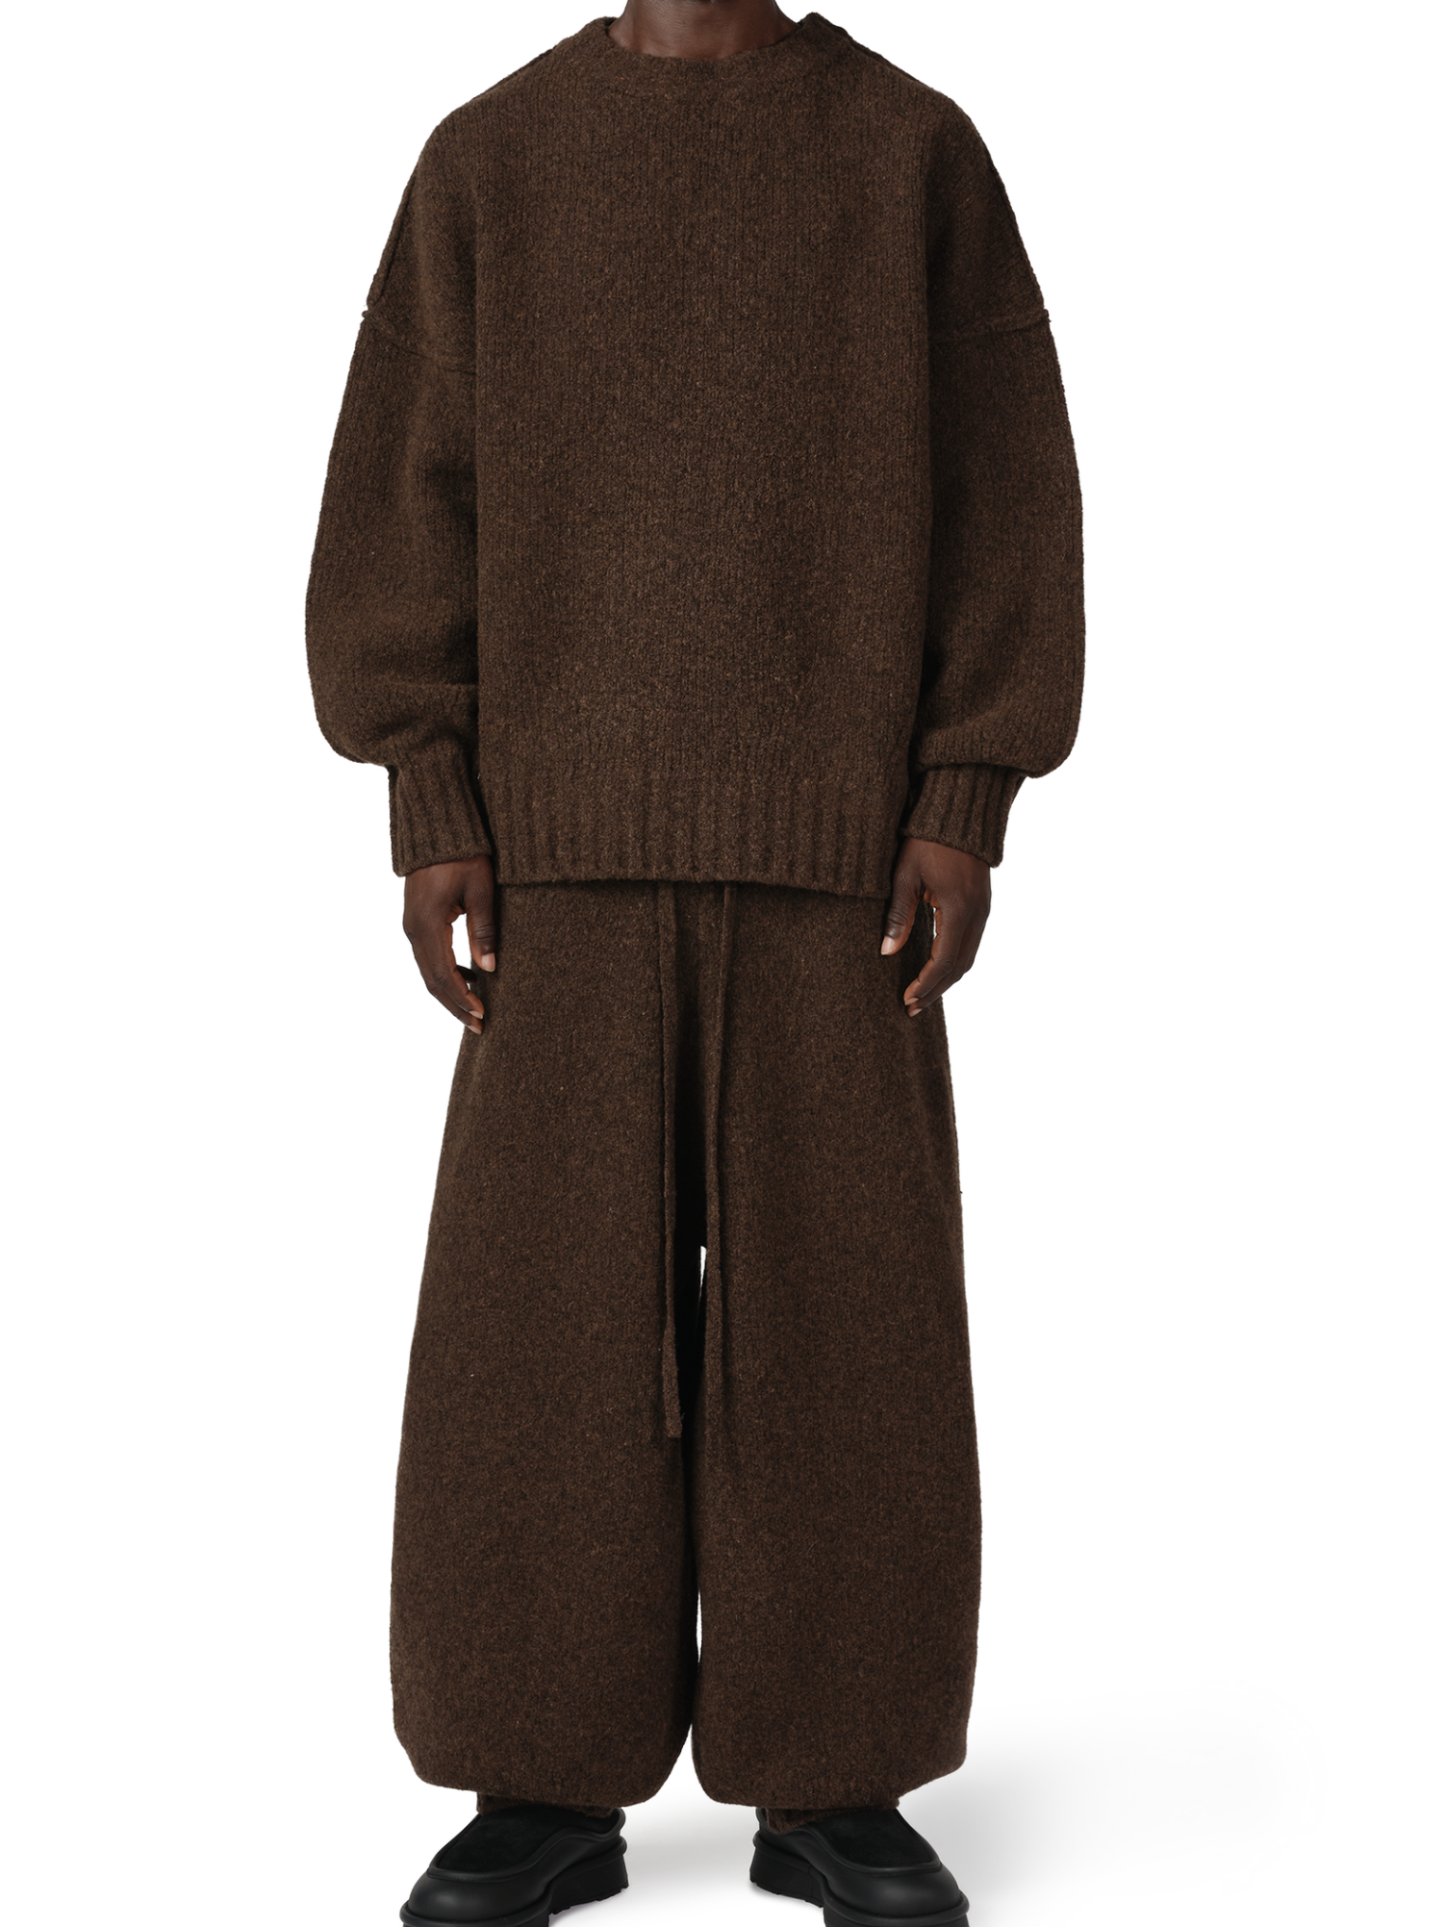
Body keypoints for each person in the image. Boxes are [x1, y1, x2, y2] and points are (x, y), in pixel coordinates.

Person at [305, 3, 1083, 1921]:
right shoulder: (493, 159)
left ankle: (837, 1781)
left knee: (852, 1327)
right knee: (534, 1334)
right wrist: (430, 791)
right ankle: (538, 1781)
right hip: (555, 864)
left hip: (845, 860)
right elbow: (409, 485)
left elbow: (1006, 485)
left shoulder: (909, 152)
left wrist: (965, 790)